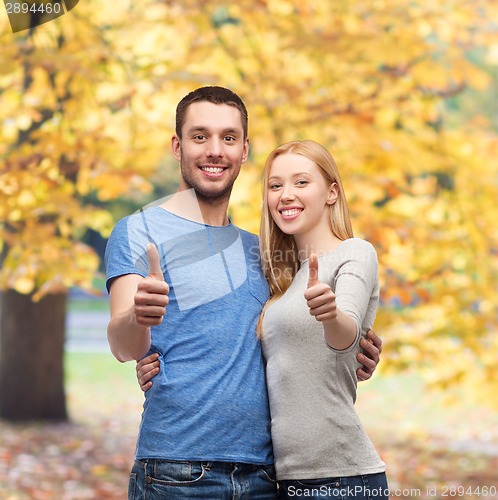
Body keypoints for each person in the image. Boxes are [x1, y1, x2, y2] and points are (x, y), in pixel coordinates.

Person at [106, 86, 382, 500]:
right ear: (177, 146)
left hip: (268, 476)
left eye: (228, 138)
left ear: (244, 150)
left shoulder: (267, 252)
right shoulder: (139, 230)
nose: (214, 150)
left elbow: (300, 334)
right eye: (200, 137)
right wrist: (138, 318)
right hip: (177, 470)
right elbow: (124, 344)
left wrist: (357, 344)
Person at [259, 140, 388, 498]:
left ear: (332, 192)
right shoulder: (282, 279)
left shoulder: (354, 253)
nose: (286, 194)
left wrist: (330, 314)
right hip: (283, 479)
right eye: (275, 185)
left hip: (341, 478)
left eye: (301, 182)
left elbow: (345, 333)